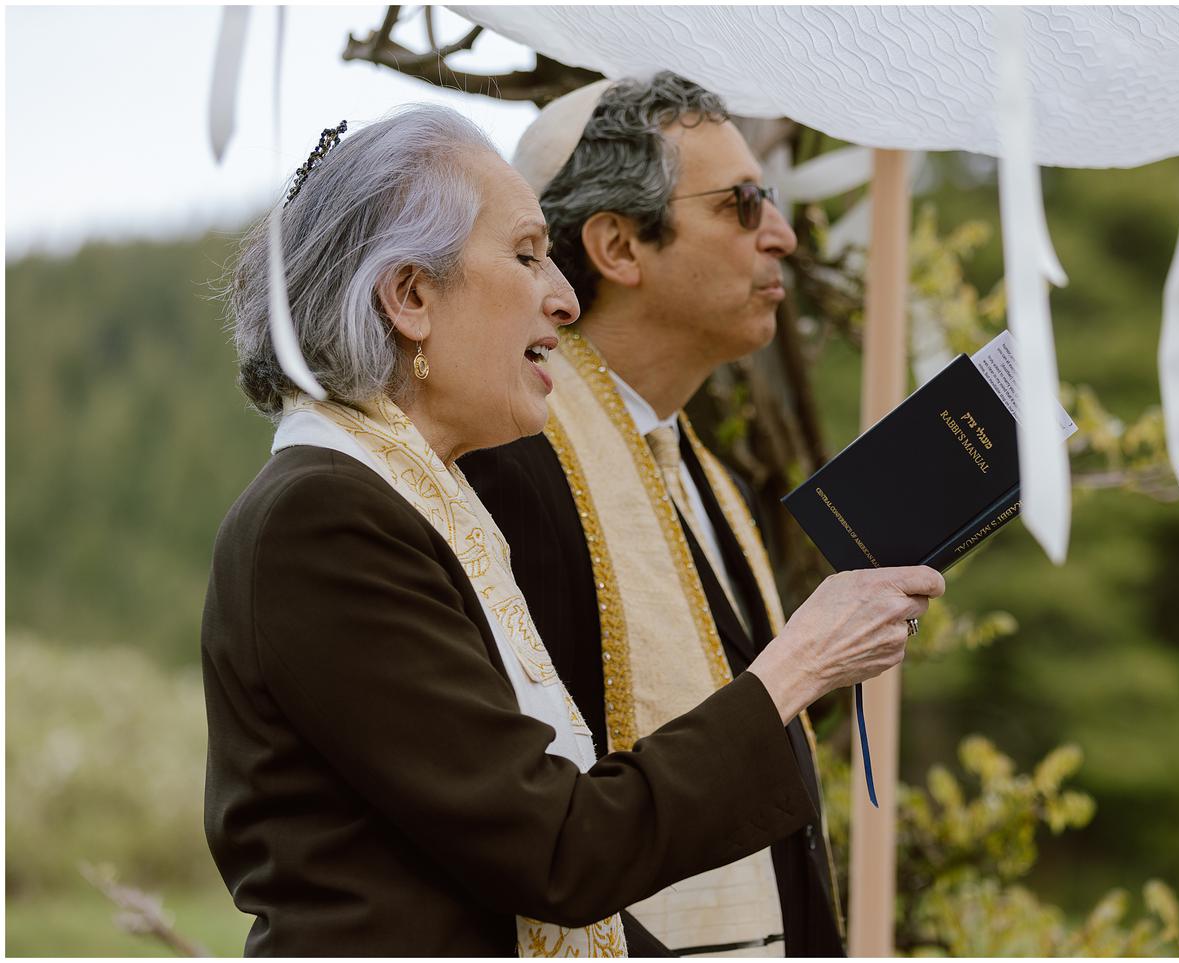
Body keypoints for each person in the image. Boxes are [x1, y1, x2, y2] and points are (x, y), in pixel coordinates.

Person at [203, 103, 945, 957]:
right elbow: (556, 847)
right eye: (525, 255)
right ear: (410, 297)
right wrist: (796, 667)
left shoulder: (410, 497)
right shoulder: (325, 519)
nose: (560, 298)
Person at [456, 74, 838, 956]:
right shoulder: (508, 467)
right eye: (743, 205)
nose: (780, 234)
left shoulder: (703, 473)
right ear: (619, 246)